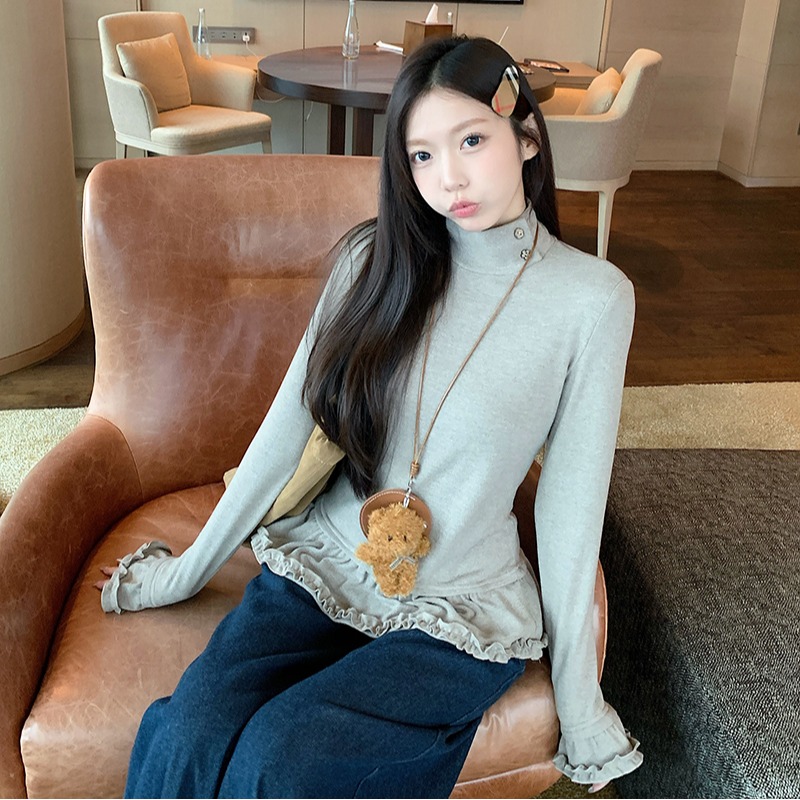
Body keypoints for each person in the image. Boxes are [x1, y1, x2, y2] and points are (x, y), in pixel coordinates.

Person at [97, 35, 642, 799]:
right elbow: (285, 431)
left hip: (458, 604)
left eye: (472, 141)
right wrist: (186, 571)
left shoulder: (593, 300)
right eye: (421, 155)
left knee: (284, 757)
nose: (449, 177)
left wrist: (580, 705)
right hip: (327, 561)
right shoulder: (371, 263)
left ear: (526, 137)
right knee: (186, 734)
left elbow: (570, 508)